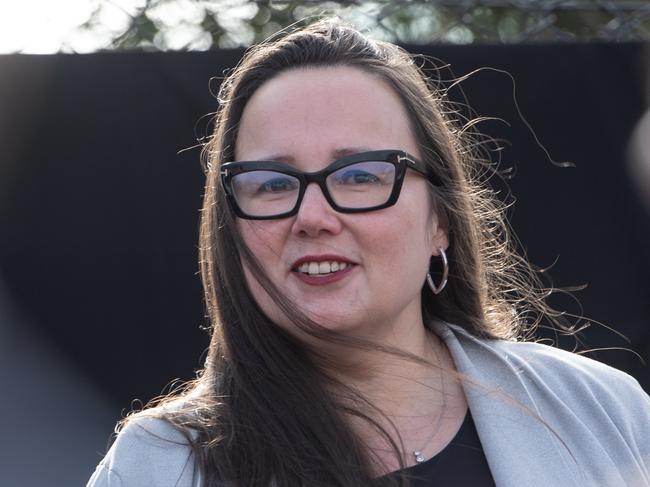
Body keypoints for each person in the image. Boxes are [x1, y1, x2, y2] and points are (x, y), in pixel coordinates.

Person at [87, 18, 650, 487]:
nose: (312, 217)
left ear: (441, 221)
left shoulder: (604, 413)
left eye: (359, 175)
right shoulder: (154, 467)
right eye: (273, 183)